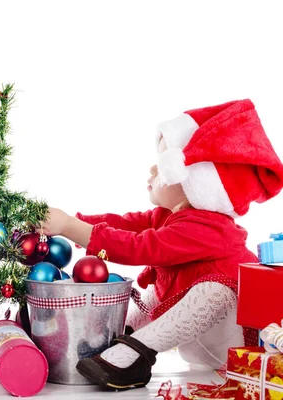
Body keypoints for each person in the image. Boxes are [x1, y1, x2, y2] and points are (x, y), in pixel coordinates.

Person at [38, 99, 283, 390]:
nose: (154, 169)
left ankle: (134, 353)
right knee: (156, 291)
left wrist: (70, 227)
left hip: (235, 344)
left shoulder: (209, 227)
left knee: (215, 290)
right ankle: (117, 338)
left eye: (166, 164)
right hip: (201, 347)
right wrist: (72, 222)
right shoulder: (169, 215)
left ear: (195, 184)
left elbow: (141, 247)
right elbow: (125, 224)